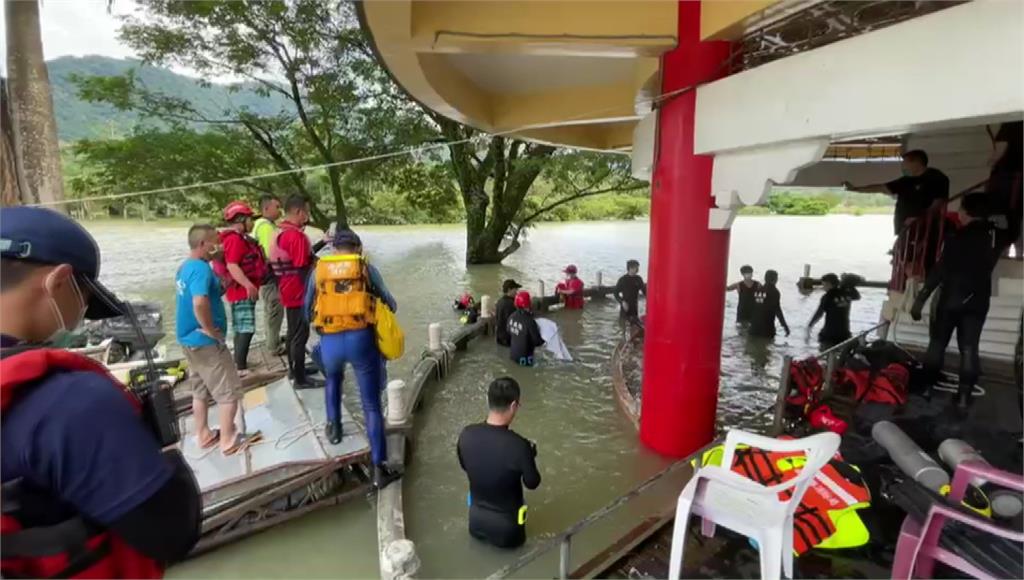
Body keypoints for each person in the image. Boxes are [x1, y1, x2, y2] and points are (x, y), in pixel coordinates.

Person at [0, 206, 200, 578]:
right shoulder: (69, 402)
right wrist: (160, 443)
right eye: (84, 302)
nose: (79, 318)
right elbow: (170, 532)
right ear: (58, 282)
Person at [304, 227, 401, 489]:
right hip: (361, 340)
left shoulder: (319, 270)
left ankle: (334, 430)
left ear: (333, 249)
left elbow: (307, 308)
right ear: (358, 248)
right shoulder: (367, 269)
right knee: (371, 404)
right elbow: (390, 303)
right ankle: (379, 468)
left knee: (333, 381)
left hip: (331, 341)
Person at [911, 193, 1003, 409]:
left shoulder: (955, 237)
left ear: (968, 212)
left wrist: (921, 299)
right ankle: (963, 397)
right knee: (970, 348)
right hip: (978, 299)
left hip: (951, 297)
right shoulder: (997, 238)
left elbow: (940, 270)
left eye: (962, 209)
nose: (959, 213)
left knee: (937, 344)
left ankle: (926, 389)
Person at [176, 224, 259, 455]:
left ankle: (203, 434)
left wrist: (223, 283)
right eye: (215, 241)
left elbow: (205, 294)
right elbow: (199, 302)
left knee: (200, 389)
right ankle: (229, 439)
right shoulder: (201, 270)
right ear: (203, 244)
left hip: (187, 339)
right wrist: (210, 329)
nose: (219, 245)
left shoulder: (186, 267)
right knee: (228, 391)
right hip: (205, 342)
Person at [457, 377, 541, 549]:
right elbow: (532, 483)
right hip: (508, 531)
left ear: (488, 401)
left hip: (476, 522)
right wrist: (529, 456)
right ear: (513, 406)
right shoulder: (520, 446)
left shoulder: (466, 434)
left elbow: (466, 466)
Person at [269, 195, 320, 389]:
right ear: (298, 212)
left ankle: (295, 370)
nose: (307, 216)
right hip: (298, 292)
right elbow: (302, 268)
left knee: (292, 332)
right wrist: (313, 291)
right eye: (306, 211)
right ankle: (300, 379)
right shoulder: (296, 236)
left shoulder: (280, 232)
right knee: (300, 334)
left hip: (286, 288)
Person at [845, 150, 950, 236]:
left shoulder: (936, 178)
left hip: (925, 230)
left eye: (905, 163)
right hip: (904, 229)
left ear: (916, 163)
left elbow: (939, 203)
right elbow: (882, 188)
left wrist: (920, 219)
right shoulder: (906, 180)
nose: (902, 167)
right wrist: (856, 189)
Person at [218, 201, 268, 373]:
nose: (252, 222)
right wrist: (248, 285)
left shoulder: (237, 239)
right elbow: (232, 265)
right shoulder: (234, 240)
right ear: (240, 220)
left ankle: (240, 363)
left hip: (241, 290)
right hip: (241, 291)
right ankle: (240, 367)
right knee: (246, 328)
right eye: (249, 219)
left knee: (242, 326)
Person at [252, 194, 285, 355]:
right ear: (266, 208)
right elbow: (270, 254)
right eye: (277, 207)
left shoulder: (258, 224)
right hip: (270, 277)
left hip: (263, 278)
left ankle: (272, 341)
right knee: (275, 310)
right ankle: (274, 346)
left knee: (269, 310)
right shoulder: (265, 227)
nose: (279, 211)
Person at [986, 120, 1023, 257]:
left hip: (1008, 176)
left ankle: (1002, 251)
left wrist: (992, 160)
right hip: (1015, 178)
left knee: (1001, 213)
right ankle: (1018, 252)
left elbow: (1001, 147)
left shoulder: (1011, 124)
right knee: (1015, 215)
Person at [807, 273, 861, 350]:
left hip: (829, 333)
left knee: (825, 355)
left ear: (828, 284)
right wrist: (849, 286)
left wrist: (810, 325)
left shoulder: (827, 296)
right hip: (844, 332)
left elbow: (819, 313)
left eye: (824, 285)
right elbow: (857, 296)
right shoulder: (846, 293)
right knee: (842, 356)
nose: (823, 288)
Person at [748, 269, 790, 339]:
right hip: (767, 329)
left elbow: (750, 307)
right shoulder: (775, 292)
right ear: (775, 280)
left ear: (765, 278)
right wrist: (785, 326)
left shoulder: (757, 290)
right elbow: (778, 311)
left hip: (754, 328)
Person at [507, 291, 544, 366]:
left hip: (513, 356)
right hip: (525, 359)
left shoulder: (511, 316)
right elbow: (537, 342)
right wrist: (545, 339)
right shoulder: (529, 321)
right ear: (528, 304)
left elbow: (508, 331)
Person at [495, 279, 521, 347]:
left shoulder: (499, 301)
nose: (516, 292)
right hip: (508, 340)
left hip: (499, 337)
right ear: (509, 289)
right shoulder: (511, 304)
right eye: (515, 289)